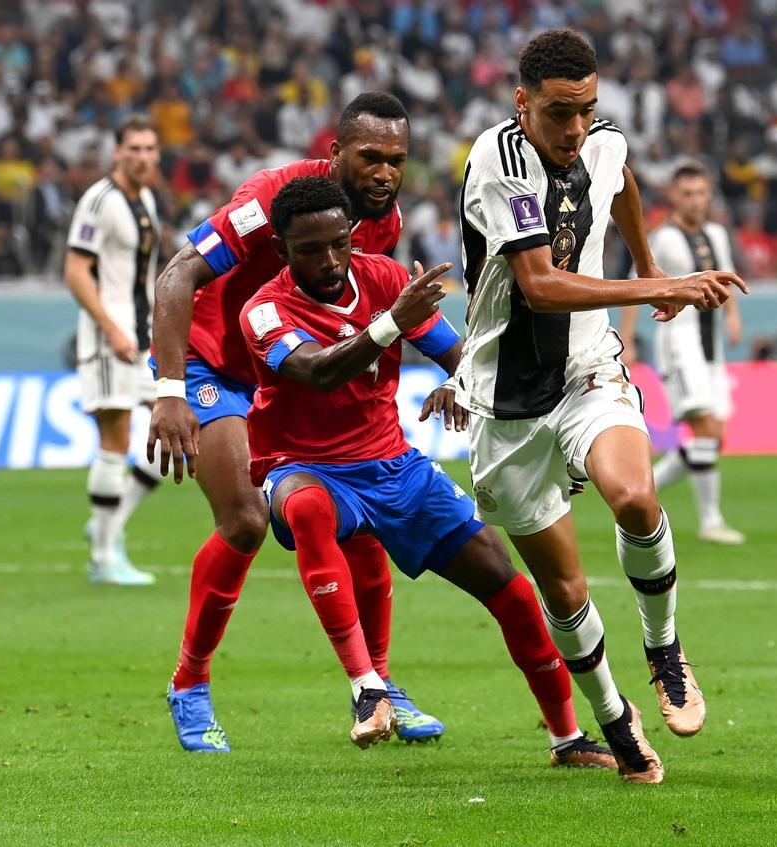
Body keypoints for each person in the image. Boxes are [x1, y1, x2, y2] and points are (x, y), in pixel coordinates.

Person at [452, 29, 746, 783]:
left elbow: (621, 179)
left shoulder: (599, 140)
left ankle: (665, 651)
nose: (575, 128)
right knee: (567, 589)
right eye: (557, 113)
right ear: (522, 104)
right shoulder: (498, 160)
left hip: (587, 367)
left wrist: (644, 255)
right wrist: (658, 285)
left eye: (586, 109)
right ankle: (614, 715)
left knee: (636, 496)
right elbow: (541, 284)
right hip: (507, 400)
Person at [239, 176, 613, 764]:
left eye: (339, 243)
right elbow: (317, 372)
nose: (330, 260)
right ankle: (368, 688)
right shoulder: (262, 311)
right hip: (306, 467)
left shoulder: (386, 279)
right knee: (307, 509)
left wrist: (460, 381)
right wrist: (390, 323)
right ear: (281, 249)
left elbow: (459, 355)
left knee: (511, 588)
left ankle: (567, 737)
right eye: (310, 250)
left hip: (394, 467)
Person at [147, 93, 441, 751]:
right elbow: (176, 276)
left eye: (396, 159)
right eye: (370, 156)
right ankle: (189, 684)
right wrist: (169, 391)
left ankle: (380, 686)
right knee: (247, 520)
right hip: (212, 365)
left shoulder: (382, 222)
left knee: (357, 515)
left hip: (289, 372)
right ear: (336, 153)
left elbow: (357, 321)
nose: (384, 172)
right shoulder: (267, 200)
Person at [621, 162, 746, 545]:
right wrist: (627, 340)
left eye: (701, 192)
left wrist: (733, 316)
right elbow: (635, 284)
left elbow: (723, 274)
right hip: (678, 340)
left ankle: (641, 491)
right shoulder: (662, 238)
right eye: (687, 193)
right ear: (674, 196)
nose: (696, 200)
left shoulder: (717, 234)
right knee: (705, 428)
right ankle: (710, 520)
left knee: (715, 436)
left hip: (711, 344)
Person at [64, 116, 164, 586]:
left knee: (178, 434)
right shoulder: (98, 201)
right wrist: (111, 329)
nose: (143, 156)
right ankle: (103, 557)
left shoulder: (145, 199)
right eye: (135, 148)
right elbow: (76, 271)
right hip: (110, 338)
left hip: (144, 335)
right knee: (116, 439)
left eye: (150, 148)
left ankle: (109, 522)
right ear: (117, 152)